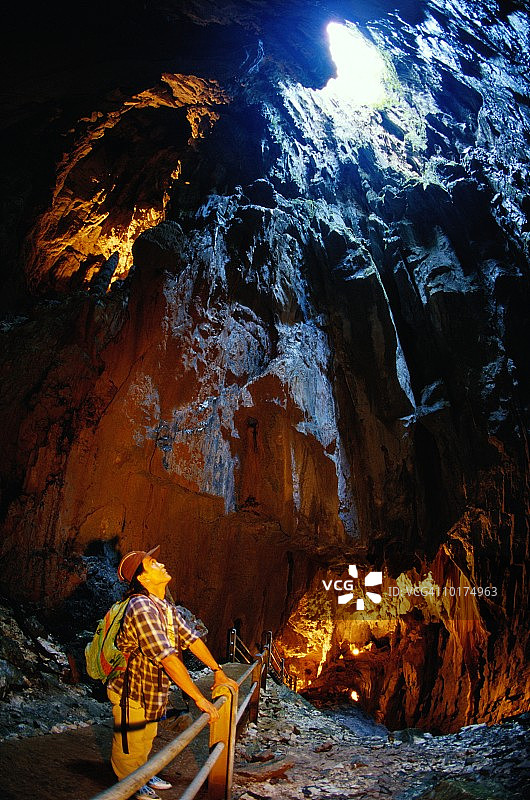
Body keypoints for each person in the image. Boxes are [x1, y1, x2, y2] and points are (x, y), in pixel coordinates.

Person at [107, 545, 238, 800]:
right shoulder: (141, 607)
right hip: (130, 692)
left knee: (145, 740)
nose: (161, 564)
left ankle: (142, 773)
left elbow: (192, 640)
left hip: (153, 691)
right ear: (143, 579)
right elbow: (168, 658)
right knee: (129, 745)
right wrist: (199, 698)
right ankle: (129, 785)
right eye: (153, 564)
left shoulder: (164, 606)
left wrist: (217, 671)